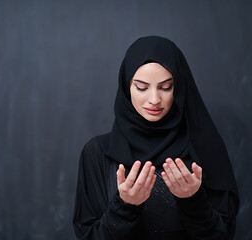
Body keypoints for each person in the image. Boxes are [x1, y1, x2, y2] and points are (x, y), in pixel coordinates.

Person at [72, 36, 239, 240]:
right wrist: (125, 207)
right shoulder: (98, 153)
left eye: (166, 87)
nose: (154, 99)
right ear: (126, 87)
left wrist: (193, 201)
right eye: (142, 87)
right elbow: (88, 236)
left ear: (178, 87)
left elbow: (224, 235)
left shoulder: (204, 148)